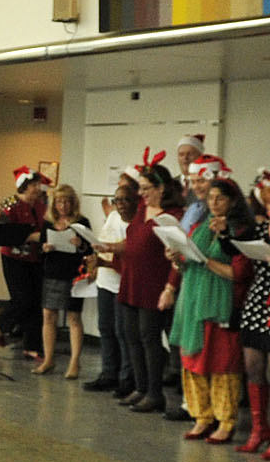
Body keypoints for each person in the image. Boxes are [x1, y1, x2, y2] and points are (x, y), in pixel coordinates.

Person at [164, 176, 249, 442]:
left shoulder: (240, 230)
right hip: (192, 301)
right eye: (210, 198)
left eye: (220, 198)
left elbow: (240, 273)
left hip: (222, 304)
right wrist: (177, 260)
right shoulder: (198, 227)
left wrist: (205, 261)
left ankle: (225, 421)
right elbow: (187, 265)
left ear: (233, 201)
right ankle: (202, 417)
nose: (214, 203)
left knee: (223, 364)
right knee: (192, 361)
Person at [111, 162, 185, 415]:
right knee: (132, 337)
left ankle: (155, 393)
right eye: (140, 188)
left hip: (154, 283)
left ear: (161, 188)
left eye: (145, 188)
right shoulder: (142, 208)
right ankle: (141, 387)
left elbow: (177, 255)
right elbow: (134, 240)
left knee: (149, 339)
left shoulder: (173, 215)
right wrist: (110, 247)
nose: (141, 193)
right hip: (132, 280)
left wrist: (170, 287)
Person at [85, 174, 136, 393]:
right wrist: (95, 263)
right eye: (117, 200)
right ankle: (108, 373)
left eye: (125, 200)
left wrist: (106, 261)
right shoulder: (113, 217)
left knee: (122, 332)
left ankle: (126, 377)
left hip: (123, 283)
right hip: (105, 281)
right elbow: (103, 244)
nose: (120, 205)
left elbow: (130, 260)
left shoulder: (138, 223)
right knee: (105, 328)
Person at [34, 184, 91, 378]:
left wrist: (81, 244)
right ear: (54, 204)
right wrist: (45, 248)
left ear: (73, 203)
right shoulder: (48, 223)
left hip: (74, 274)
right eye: (59, 201)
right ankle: (48, 359)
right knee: (49, 316)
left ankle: (74, 362)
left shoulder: (82, 222)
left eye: (67, 201)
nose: (63, 205)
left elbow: (91, 250)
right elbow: (40, 250)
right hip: (52, 272)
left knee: (73, 317)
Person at [0, 168, 47, 358]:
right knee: (22, 298)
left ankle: (32, 346)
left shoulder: (41, 206)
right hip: (14, 258)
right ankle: (0, 323)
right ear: (23, 187)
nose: (37, 189)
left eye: (38, 185)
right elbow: (7, 232)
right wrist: (31, 236)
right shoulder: (12, 204)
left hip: (35, 257)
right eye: (33, 185)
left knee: (36, 302)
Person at [239, 170, 270, 455]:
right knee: (253, 365)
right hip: (259, 300)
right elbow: (232, 247)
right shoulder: (260, 228)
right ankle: (259, 430)